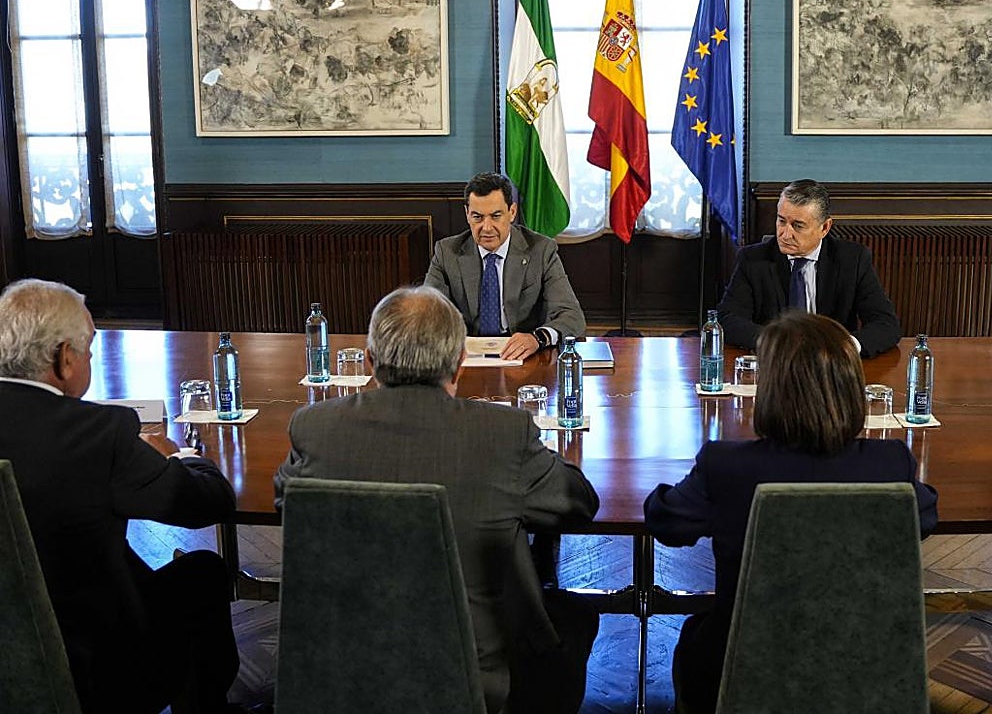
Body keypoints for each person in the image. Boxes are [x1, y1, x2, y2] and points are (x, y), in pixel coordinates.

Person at [274, 285, 600, 714]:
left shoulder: (315, 428)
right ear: (459, 363)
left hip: (339, 670)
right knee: (574, 614)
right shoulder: (503, 435)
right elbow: (578, 504)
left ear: (371, 362)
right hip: (472, 677)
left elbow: (286, 498)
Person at [644, 312, 938, 714]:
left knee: (698, 633)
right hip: (864, 667)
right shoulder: (891, 464)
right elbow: (923, 517)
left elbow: (667, 522)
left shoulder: (727, 466)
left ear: (771, 391)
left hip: (743, 666)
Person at [0, 279, 240, 714]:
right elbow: (208, 503)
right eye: (88, 349)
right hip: (98, 670)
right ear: (65, 358)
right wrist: (181, 455)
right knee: (202, 572)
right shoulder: (98, 434)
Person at [716, 179, 901, 357]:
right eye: (781, 221)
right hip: (775, 365)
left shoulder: (852, 260)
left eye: (798, 226)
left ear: (825, 228)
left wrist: (844, 346)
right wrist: (776, 342)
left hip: (830, 365)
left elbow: (886, 324)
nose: (786, 234)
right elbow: (728, 319)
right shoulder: (753, 259)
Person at [424, 172, 586, 360]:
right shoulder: (447, 252)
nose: (486, 227)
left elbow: (572, 317)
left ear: (512, 212)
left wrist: (537, 338)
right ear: (467, 214)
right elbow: (427, 314)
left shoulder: (540, 250)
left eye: (495, 216)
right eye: (477, 217)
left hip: (525, 357)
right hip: (466, 357)